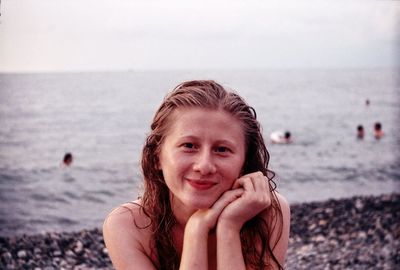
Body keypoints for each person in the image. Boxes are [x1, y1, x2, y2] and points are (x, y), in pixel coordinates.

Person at [103, 80, 291, 270]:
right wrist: (197, 230)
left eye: (222, 149)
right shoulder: (127, 225)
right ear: (157, 157)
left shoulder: (267, 211)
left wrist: (228, 228)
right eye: (189, 146)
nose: (204, 166)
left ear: (244, 163)